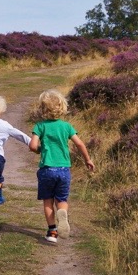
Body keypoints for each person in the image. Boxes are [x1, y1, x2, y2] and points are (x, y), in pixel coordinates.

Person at [29, 89, 96, 244]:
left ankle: (52, 232)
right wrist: (88, 160)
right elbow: (79, 143)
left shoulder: (40, 126)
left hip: (47, 169)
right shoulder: (66, 127)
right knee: (62, 199)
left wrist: (40, 150)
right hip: (64, 169)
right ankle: (63, 213)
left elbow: (32, 146)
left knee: (48, 200)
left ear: (43, 109)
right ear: (62, 107)